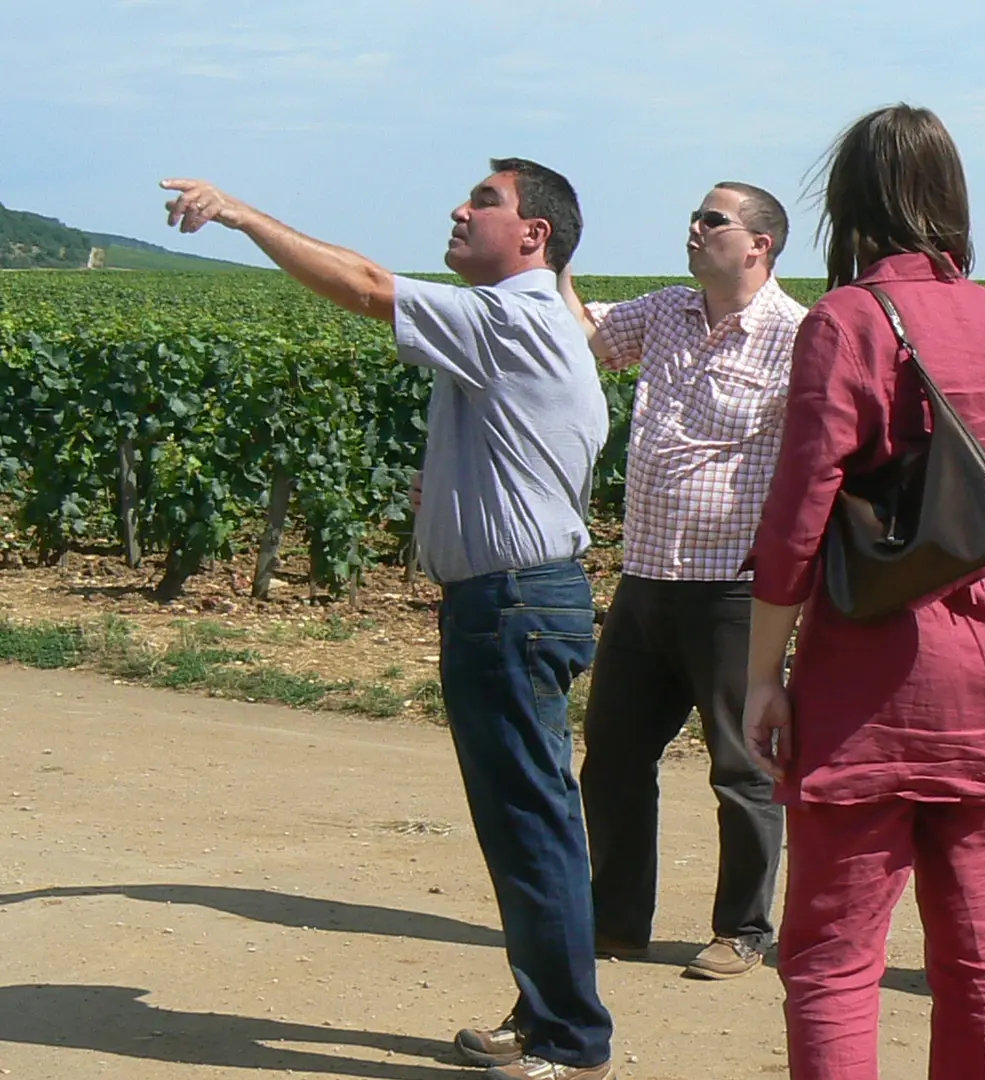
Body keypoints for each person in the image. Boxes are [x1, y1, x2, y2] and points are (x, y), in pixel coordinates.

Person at [161, 161, 615, 1080]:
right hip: (518, 600)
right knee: (524, 821)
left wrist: (246, 215)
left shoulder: (513, 318)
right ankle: (545, 1014)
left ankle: (572, 1039)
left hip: (514, 605)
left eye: (484, 200)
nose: (459, 207)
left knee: (532, 824)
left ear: (535, 236)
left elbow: (367, 286)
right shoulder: (527, 321)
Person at [740, 104, 985, 1080]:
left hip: (866, 684)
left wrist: (763, 675)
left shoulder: (845, 321)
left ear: (851, 204)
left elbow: (797, 521)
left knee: (832, 960)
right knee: (979, 946)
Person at [559, 183, 806, 981]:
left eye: (712, 220)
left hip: (733, 590)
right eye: (695, 217)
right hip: (647, 576)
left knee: (742, 768)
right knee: (615, 757)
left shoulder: (798, 337)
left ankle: (743, 929)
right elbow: (581, 340)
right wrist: (553, 260)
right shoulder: (666, 310)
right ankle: (619, 920)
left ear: (760, 244)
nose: (693, 229)